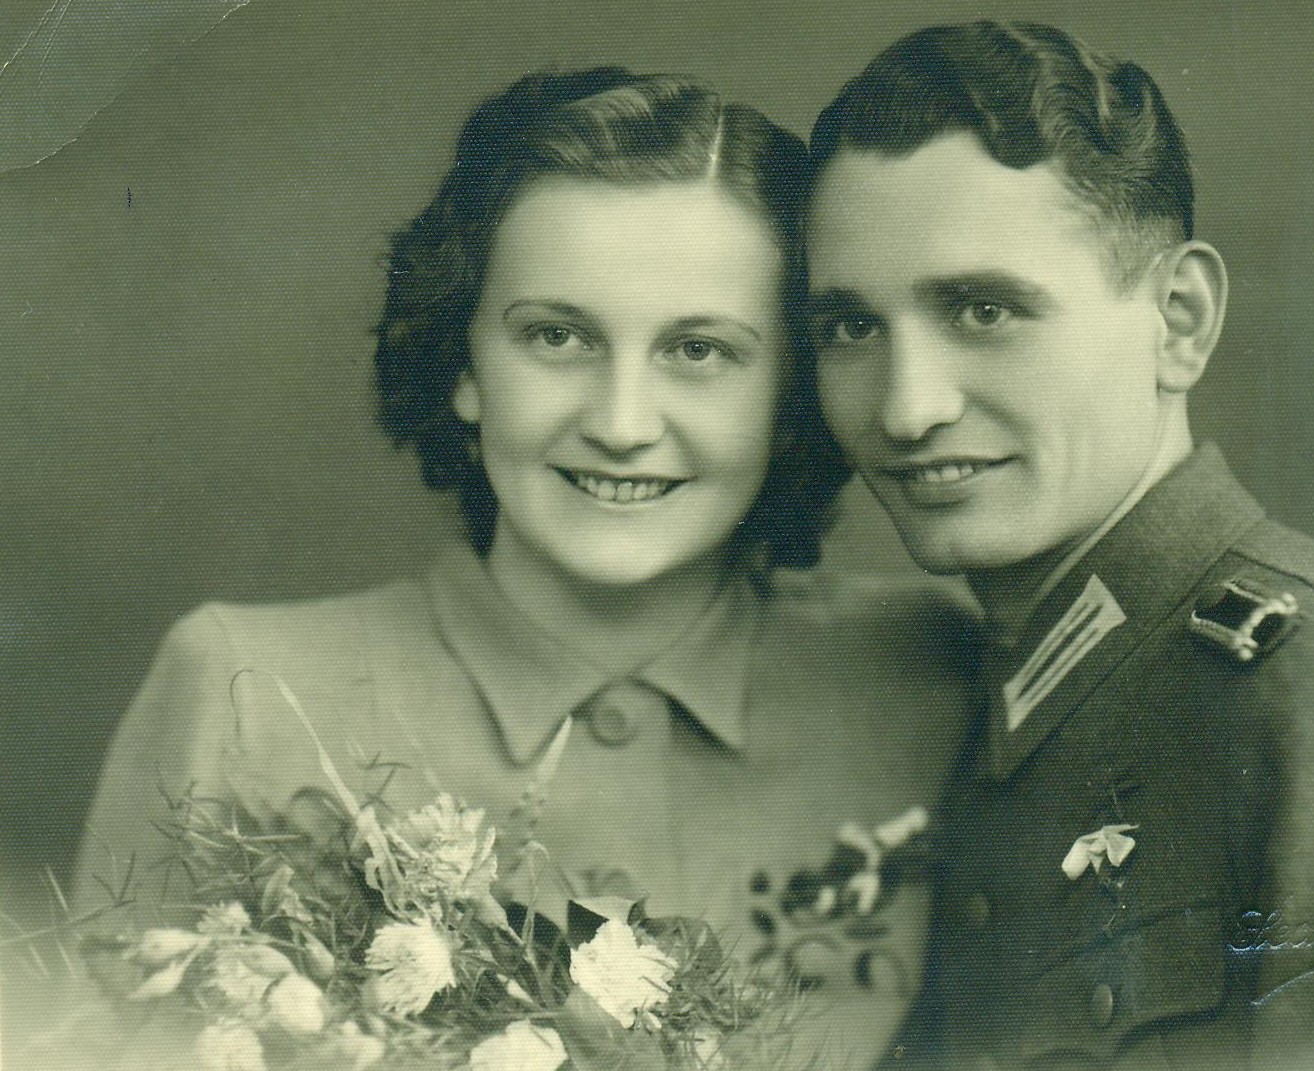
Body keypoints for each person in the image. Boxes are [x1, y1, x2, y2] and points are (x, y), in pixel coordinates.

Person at [71, 68, 977, 1070]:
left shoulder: (931, 680)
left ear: (791, 393)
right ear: (465, 365)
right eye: (557, 336)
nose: (621, 423)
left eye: (698, 350)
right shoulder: (244, 694)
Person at [804, 21, 1314, 1071]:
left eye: (984, 310)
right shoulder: (965, 699)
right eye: (851, 327)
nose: (907, 409)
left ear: (1179, 320)